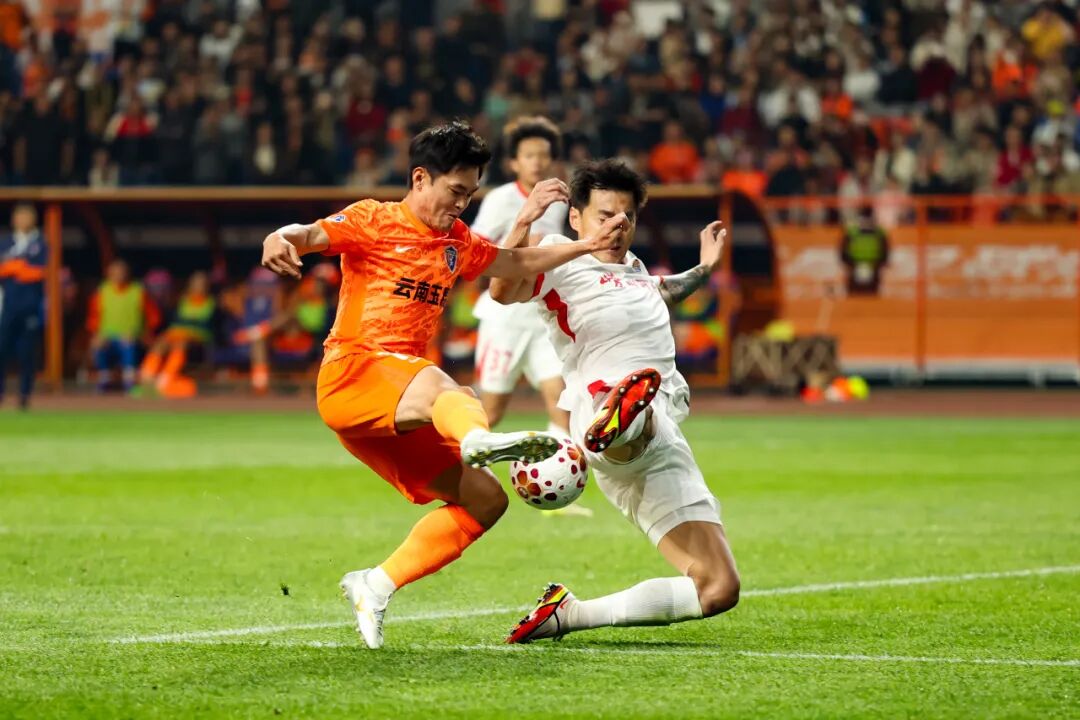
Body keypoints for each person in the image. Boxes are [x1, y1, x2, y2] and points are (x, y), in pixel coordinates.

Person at [258, 121, 625, 649]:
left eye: (469, 194)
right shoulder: (373, 220)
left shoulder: (456, 242)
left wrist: (586, 244)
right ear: (419, 178)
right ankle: (477, 439)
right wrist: (278, 237)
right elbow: (308, 234)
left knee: (485, 500)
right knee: (443, 386)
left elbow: (516, 262)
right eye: (455, 191)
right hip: (353, 374)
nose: (461, 204)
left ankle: (375, 584)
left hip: (398, 402)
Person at [489, 159, 739, 642]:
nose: (617, 226)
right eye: (604, 216)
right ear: (575, 217)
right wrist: (524, 219)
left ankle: (569, 615)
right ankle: (624, 417)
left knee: (718, 587)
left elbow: (665, 291)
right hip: (596, 403)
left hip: (665, 435)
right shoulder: (558, 254)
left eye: (627, 218)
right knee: (630, 410)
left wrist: (706, 266)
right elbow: (501, 287)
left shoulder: (636, 270)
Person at [471, 116, 570, 434]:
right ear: (514, 162)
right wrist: (523, 249)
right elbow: (476, 251)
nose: (537, 162)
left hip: (542, 316)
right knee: (490, 413)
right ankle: (448, 455)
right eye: (529, 155)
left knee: (563, 407)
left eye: (543, 155)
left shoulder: (559, 201)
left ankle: (559, 464)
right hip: (505, 319)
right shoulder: (500, 200)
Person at [86, 258, 160, 393]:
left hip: (131, 337)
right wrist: (96, 335)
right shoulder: (102, 293)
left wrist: (141, 334)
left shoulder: (138, 291)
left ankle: (129, 379)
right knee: (99, 345)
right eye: (115, 272)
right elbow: (93, 319)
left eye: (121, 272)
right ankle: (104, 378)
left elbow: (153, 318)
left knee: (128, 344)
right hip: (108, 337)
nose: (119, 275)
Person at [138, 271, 215, 399]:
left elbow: (206, 324)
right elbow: (177, 322)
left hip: (198, 338)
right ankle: (146, 377)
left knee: (181, 343)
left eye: (202, 284)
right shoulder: (182, 301)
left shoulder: (212, 303)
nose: (199, 287)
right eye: (196, 283)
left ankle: (164, 379)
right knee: (161, 342)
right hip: (177, 334)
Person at [0, 203, 45, 410]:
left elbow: (38, 273)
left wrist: (14, 267)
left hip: (30, 306)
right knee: (2, 349)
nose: (23, 220)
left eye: (27, 216)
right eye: (20, 216)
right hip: (7, 306)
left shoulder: (41, 244)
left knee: (27, 352)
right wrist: (18, 267)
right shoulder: (5, 243)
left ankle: (25, 394)